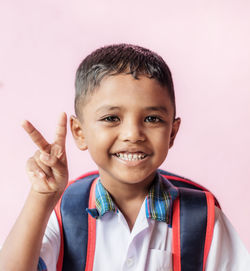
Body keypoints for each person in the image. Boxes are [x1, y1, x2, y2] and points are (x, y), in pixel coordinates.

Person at [0, 44, 249, 271]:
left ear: (172, 133)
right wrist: (41, 197)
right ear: (79, 132)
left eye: (152, 119)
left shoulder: (202, 218)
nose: (132, 135)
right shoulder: (63, 211)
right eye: (111, 118)